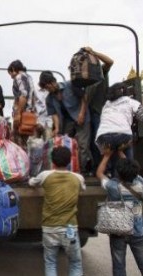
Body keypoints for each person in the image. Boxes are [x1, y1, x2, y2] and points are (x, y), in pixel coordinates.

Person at [29, 146, 86, 276]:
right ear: (69, 161)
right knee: (75, 263)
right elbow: (83, 188)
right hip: (70, 229)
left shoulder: (45, 176)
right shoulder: (78, 178)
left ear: (52, 161)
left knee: (50, 263)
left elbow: (32, 182)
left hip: (49, 228)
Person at [96, 148, 143, 275]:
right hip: (138, 232)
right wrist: (121, 152)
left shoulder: (113, 186)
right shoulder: (140, 184)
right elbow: (132, 169)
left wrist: (107, 156)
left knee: (118, 267)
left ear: (118, 173)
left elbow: (100, 173)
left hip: (118, 231)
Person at [40, 70, 92, 175]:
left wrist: (82, 114)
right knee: (65, 143)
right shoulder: (49, 98)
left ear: (53, 82)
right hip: (67, 122)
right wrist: (57, 128)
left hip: (81, 117)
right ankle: (69, 168)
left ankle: (83, 171)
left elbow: (84, 97)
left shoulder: (70, 85)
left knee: (83, 144)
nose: (48, 89)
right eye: (46, 88)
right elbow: (54, 114)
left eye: (48, 87)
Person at [95, 82, 143, 176]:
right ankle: (130, 177)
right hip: (123, 135)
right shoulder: (130, 101)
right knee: (127, 159)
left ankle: (115, 180)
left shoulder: (106, 104)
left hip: (104, 137)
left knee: (114, 159)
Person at [83, 47, 114, 173]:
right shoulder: (82, 76)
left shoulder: (100, 71)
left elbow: (110, 62)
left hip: (99, 112)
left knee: (100, 140)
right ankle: (97, 168)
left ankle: (107, 168)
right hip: (87, 113)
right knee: (90, 142)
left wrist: (93, 52)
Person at [7, 60, 36, 148]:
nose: (11, 76)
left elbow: (23, 95)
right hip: (29, 113)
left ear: (13, 69)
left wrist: (18, 113)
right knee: (24, 142)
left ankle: (19, 161)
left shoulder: (19, 77)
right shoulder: (29, 77)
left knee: (17, 142)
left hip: (22, 113)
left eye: (10, 73)